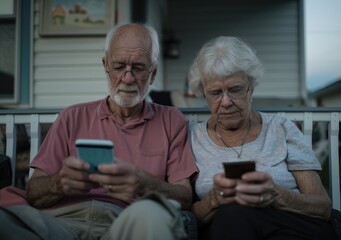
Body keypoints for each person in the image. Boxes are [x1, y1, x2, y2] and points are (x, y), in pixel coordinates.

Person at [0, 23, 198, 240]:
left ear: (153, 73)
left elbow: (185, 197)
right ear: (106, 65)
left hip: (127, 221)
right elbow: (34, 192)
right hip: (62, 222)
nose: (128, 78)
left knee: (151, 213)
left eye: (138, 67)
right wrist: (58, 183)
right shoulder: (71, 117)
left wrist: (145, 184)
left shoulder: (171, 120)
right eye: (119, 66)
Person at [187, 36, 337, 239]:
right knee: (232, 214)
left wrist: (276, 195)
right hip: (226, 228)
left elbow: (322, 206)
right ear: (203, 94)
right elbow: (189, 216)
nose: (226, 102)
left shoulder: (281, 129)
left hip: (290, 225)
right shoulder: (193, 138)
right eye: (215, 93)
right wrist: (214, 200)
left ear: (251, 86)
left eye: (235, 89)